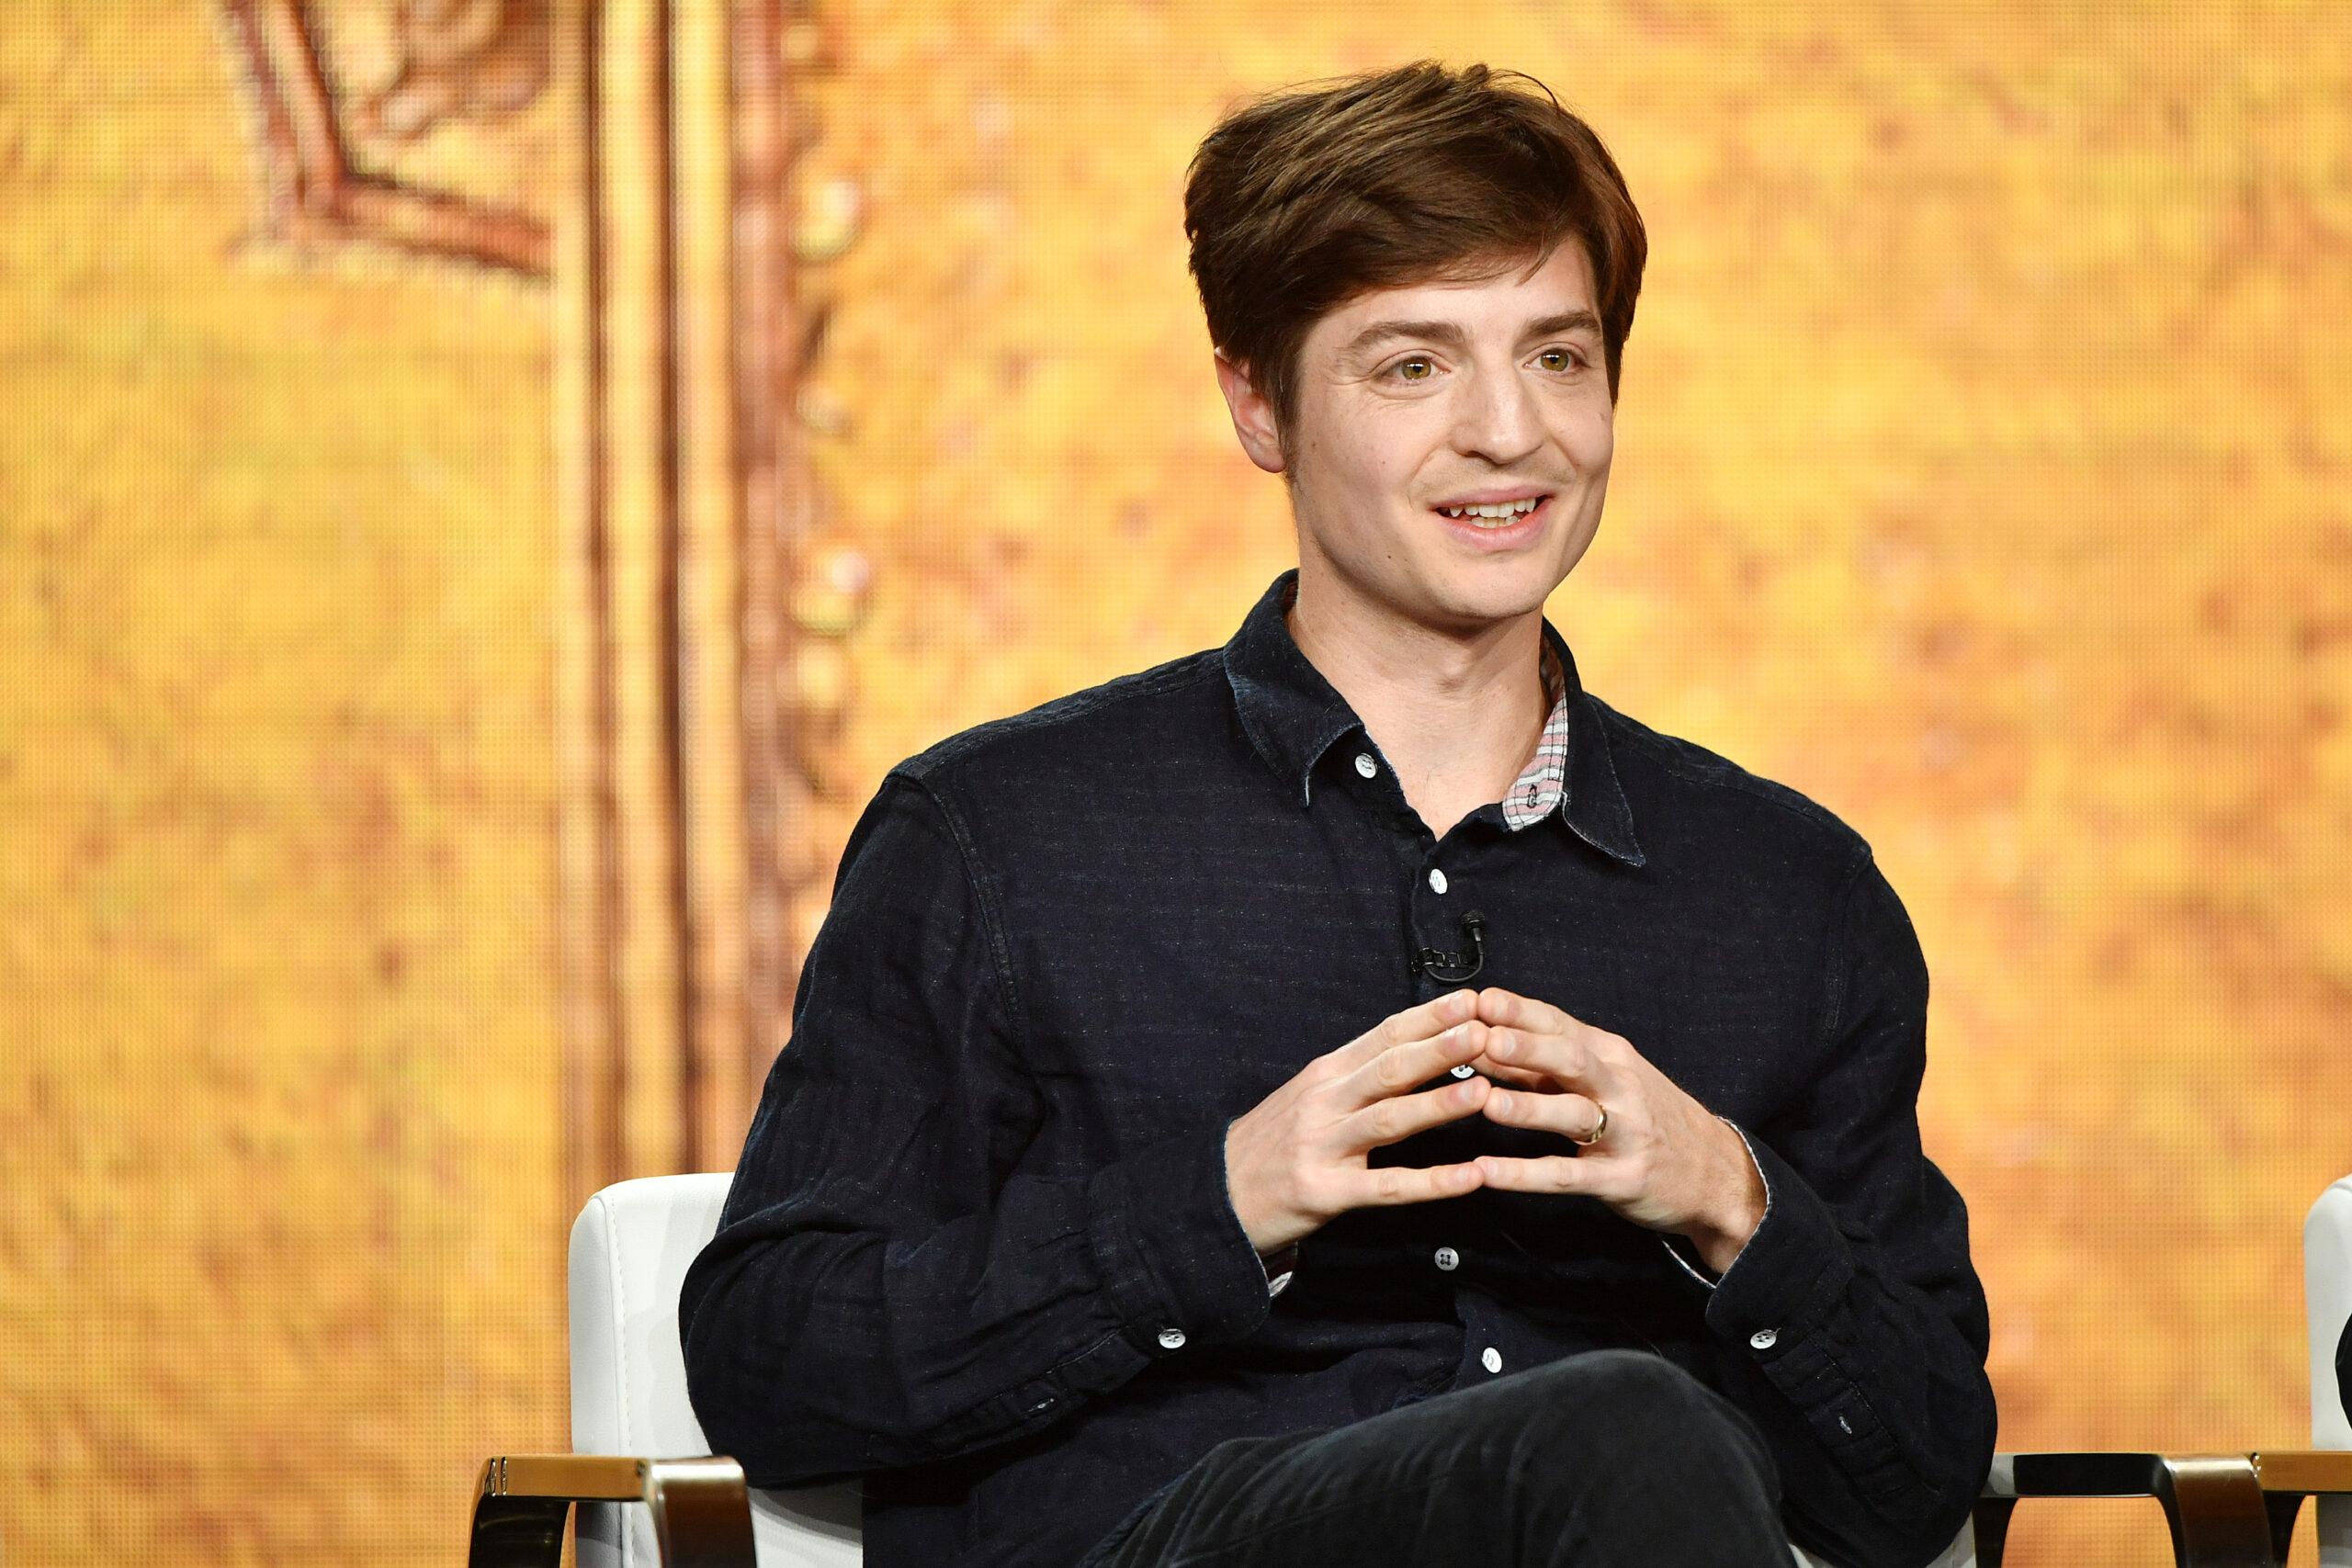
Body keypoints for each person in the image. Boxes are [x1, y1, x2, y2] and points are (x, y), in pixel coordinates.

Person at [680, 60, 1996, 1568]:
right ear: (1260, 404)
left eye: (1559, 357)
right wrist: (1212, 1211)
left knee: (1627, 1428)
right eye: (1414, 365)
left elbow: (1919, 1482)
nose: (1510, 433)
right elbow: (772, 1359)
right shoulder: (999, 838)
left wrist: (1730, 1202)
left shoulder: (1789, 892)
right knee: (1622, 1423)